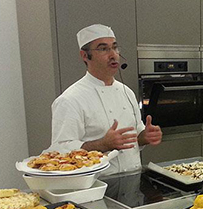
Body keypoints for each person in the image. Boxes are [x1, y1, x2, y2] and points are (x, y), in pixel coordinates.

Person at [50, 24, 162, 176]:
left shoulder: (126, 92)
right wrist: (102, 144)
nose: (113, 55)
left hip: (133, 180)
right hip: (96, 186)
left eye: (115, 47)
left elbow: (135, 137)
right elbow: (59, 151)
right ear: (84, 55)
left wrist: (144, 137)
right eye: (103, 49)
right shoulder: (70, 100)